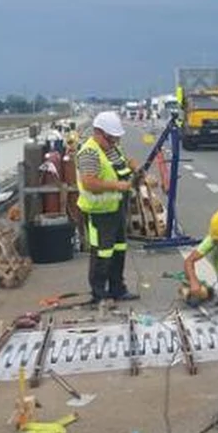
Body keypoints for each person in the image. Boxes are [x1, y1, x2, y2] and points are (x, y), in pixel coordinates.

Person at [75, 111, 141, 304]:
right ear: (99, 133)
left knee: (119, 249)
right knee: (102, 252)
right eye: (112, 139)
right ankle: (99, 293)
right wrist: (117, 186)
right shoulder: (89, 152)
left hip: (116, 208)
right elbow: (89, 183)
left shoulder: (111, 148)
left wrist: (135, 168)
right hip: (99, 213)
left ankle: (117, 289)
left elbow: (124, 163)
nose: (115, 143)